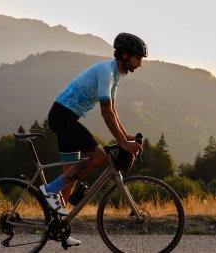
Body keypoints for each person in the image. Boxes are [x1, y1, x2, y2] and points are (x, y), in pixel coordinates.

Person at [39, 32, 147, 246]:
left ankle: (59, 229)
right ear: (125, 55)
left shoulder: (115, 75)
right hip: (62, 117)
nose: (140, 64)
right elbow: (105, 112)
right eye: (138, 58)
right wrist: (124, 144)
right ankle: (49, 190)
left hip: (67, 117)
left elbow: (113, 111)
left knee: (69, 179)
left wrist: (126, 136)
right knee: (98, 156)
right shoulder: (106, 72)